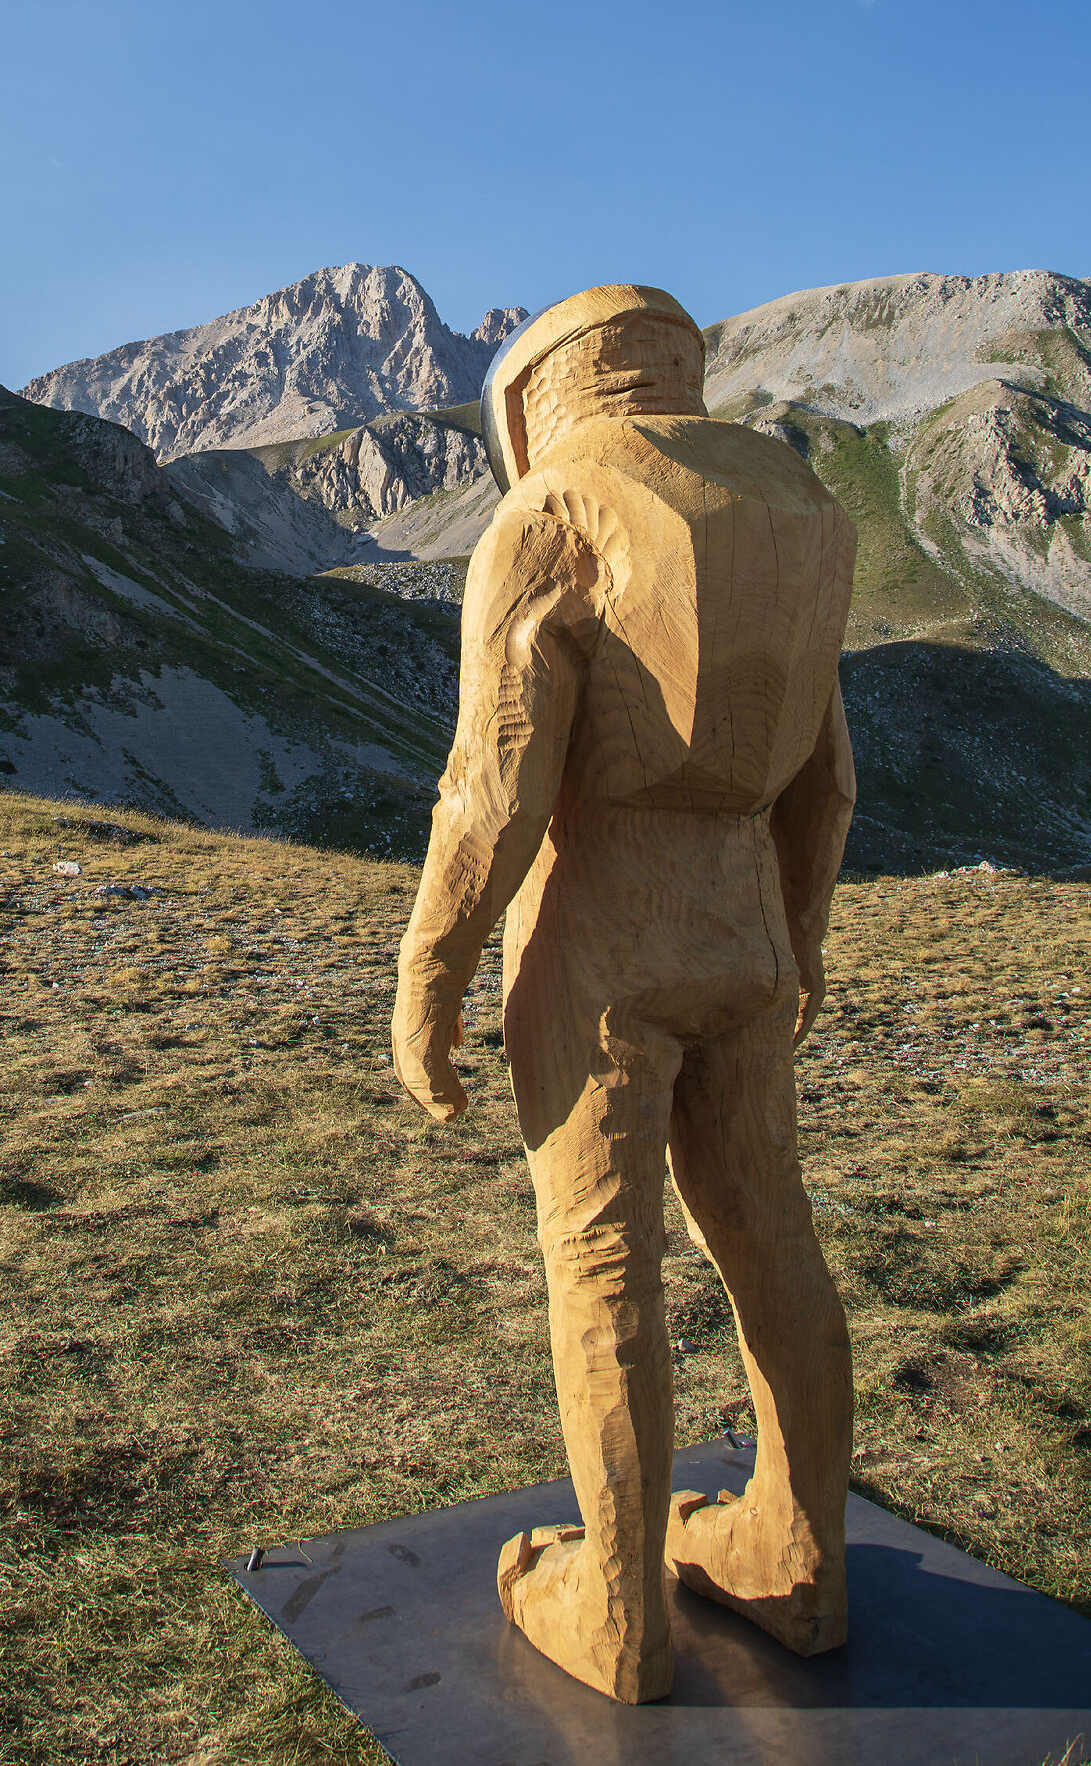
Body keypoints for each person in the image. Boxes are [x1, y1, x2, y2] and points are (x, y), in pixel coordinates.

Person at [391, 282, 857, 1704]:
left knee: (604, 1265)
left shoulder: (555, 509)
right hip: (746, 927)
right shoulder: (801, 513)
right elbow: (830, 781)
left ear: (533, 396)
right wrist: (802, 938)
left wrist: (431, 972)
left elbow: (498, 786)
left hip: (598, 931)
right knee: (772, 1234)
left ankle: (620, 1615)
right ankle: (799, 1556)